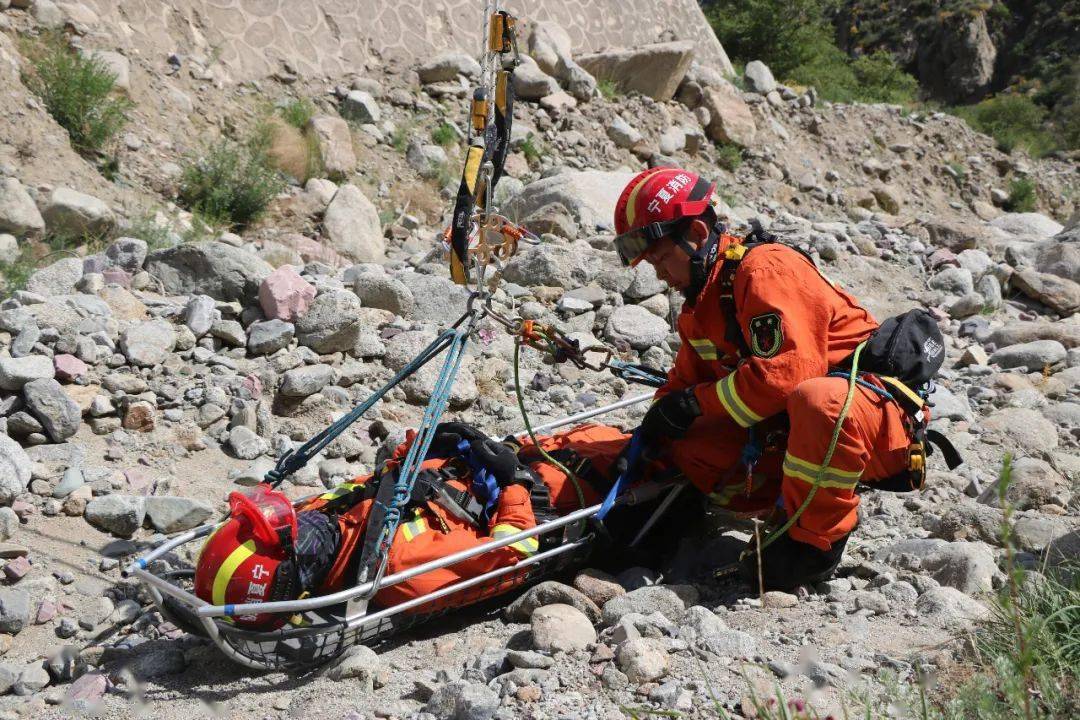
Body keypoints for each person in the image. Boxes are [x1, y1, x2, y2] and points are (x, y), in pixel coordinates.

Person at [611, 167, 946, 591]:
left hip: (867, 420)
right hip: (802, 430)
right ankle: (772, 505)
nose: (659, 273)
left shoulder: (765, 270)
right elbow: (684, 384)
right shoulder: (702, 305)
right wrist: (654, 432)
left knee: (818, 400)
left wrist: (698, 404)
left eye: (660, 257)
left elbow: (784, 379)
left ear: (696, 232)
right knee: (684, 437)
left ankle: (811, 547)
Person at [194, 422, 646, 629]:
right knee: (631, 455)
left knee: (587, 435)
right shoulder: (400, 568)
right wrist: (512, 480)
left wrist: (428, 445)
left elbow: (378, 480)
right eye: (285, 531)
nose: (296, 516)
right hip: (544, 497)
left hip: (477, 470)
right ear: (293, 570)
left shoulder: (323, 525)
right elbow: (512, 552)